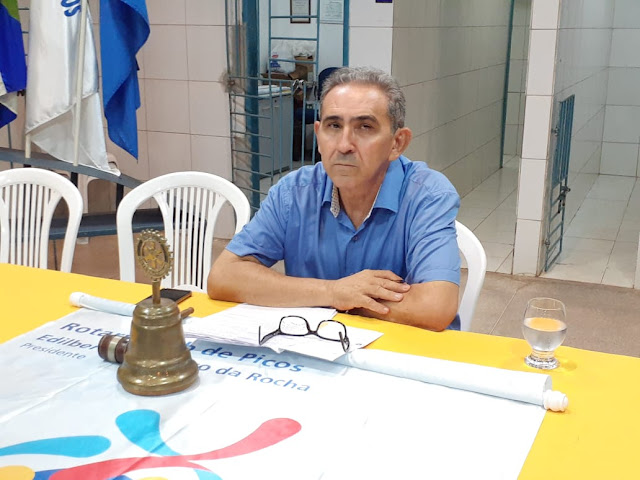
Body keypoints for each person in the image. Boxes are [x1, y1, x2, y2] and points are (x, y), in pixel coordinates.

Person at [208, 66, 461, 331]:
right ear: (319, 136)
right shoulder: (294, 192)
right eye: (334, 126)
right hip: (317, 346)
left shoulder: (427, 195)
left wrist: (346, 300)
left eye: (365, 127)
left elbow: (435, 306)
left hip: (401, 350)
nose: (343, 145)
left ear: (397, 143)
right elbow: (225, 276)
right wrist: (333, 292)